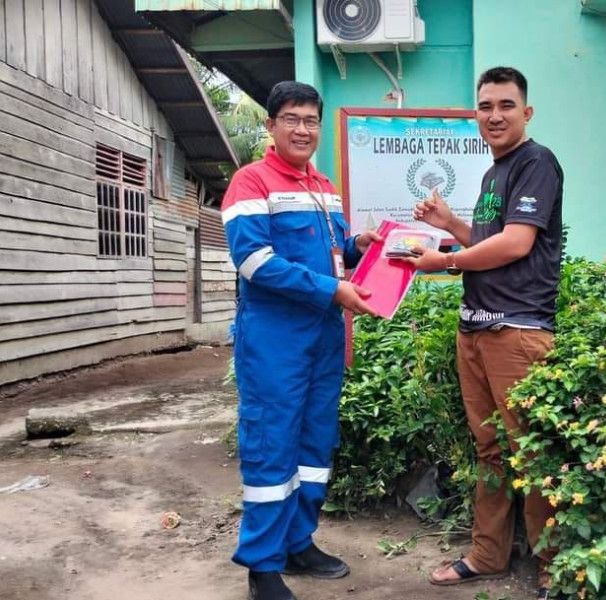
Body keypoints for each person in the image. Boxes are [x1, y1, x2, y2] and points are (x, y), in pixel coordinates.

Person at [403, 66, 566, 600]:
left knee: (531, 452)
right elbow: (490, 240)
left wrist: (444, 262)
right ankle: (489, 555)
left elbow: (517, 244)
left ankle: (554, 566)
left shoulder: (536, 162)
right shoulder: (495, 172)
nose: (494, 115)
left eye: (506, 105)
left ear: (527, 112)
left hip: (517, 332)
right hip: (476, 330)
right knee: (491, 450)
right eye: (485, 106)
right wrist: (452, 225)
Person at [221, 80, 382, 600]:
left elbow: (335, 253)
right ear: (270, 126)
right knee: (272, 446)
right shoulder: (250, 183)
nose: (303, 129)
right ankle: (262, 567)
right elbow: (255, 262)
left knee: (315, 445)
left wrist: (361, 244)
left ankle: (298, 541)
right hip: (274, 340)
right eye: (291, 118)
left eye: (311, 120)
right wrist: (332, 289)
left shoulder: (321, 185)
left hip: (322, 336)